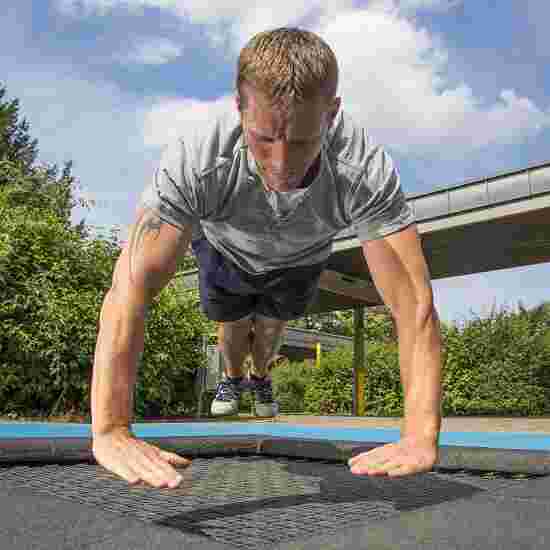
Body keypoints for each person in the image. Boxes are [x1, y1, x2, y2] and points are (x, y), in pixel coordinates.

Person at [91, 27, 443, 490]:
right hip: (224, 250)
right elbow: (129, 289)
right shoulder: (198, 160)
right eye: (262, 140)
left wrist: (420, 433)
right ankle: (233, 377)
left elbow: (414, 305)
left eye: (300, 142)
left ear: (332, 112)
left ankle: (260, 377)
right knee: (233, 323)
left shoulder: (363, 169)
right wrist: (111, 428)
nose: (280, 164)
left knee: (273, 328)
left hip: (301, 256)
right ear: (239, 107)